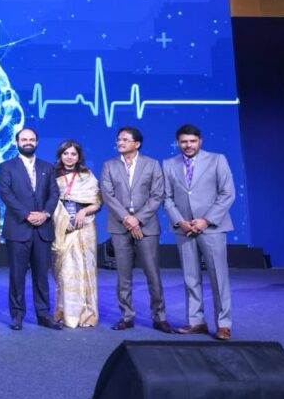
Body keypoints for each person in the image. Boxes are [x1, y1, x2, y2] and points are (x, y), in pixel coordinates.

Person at [163, 124, 236, 341]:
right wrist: (180, 221)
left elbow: (227, 193)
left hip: (212, 227)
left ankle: (223, 324)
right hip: (184, 229)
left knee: (218, 277)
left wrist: (206, 220)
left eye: (192, 141)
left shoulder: (217, 160)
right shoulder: (168, 164)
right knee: (190, 277)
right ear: (178, 143)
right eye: (184, 141)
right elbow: (166, 198)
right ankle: (196, 321)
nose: (188, 145)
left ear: (200, 141)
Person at [100, 126, 173, 333]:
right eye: (119, 139)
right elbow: (107, 195)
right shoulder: (109, 165)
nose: (120, 142)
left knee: (152, 273)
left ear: (137, 144)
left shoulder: (152, 164)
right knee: (123, 275)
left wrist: (138, 219)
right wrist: (127, 219)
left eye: (125, 139)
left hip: (146, 226)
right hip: (119, 225)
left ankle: (159, 317)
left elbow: (157, 195)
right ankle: (127, 316)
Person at [0, 127, 61, 331]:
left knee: (41, 275)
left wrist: (45, 214)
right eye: (24, 139)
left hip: (43, 228)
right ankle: (17, 315)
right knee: (17, 275)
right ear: (17, 142)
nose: (28, 142)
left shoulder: (47, 167)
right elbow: (6, 194)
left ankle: (43, 314)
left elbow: (54, 193)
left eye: (31, 139)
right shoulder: (6, 167)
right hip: (18, 228)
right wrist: (27, 214)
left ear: (37, 142)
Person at [51, 140, 102, 328]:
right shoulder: (53, 175)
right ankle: (65, 313)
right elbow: (48, 201)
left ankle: (86, 314)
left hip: (84, 228)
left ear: (79, 156)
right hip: (61, 228)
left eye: (73, 154)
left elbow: (97, 202)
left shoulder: (87, 175)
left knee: (85, 270)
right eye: (66, 154)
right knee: (65, 272)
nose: (69, 157)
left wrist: (84, 212)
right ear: (60, 155)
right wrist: (63, 220)